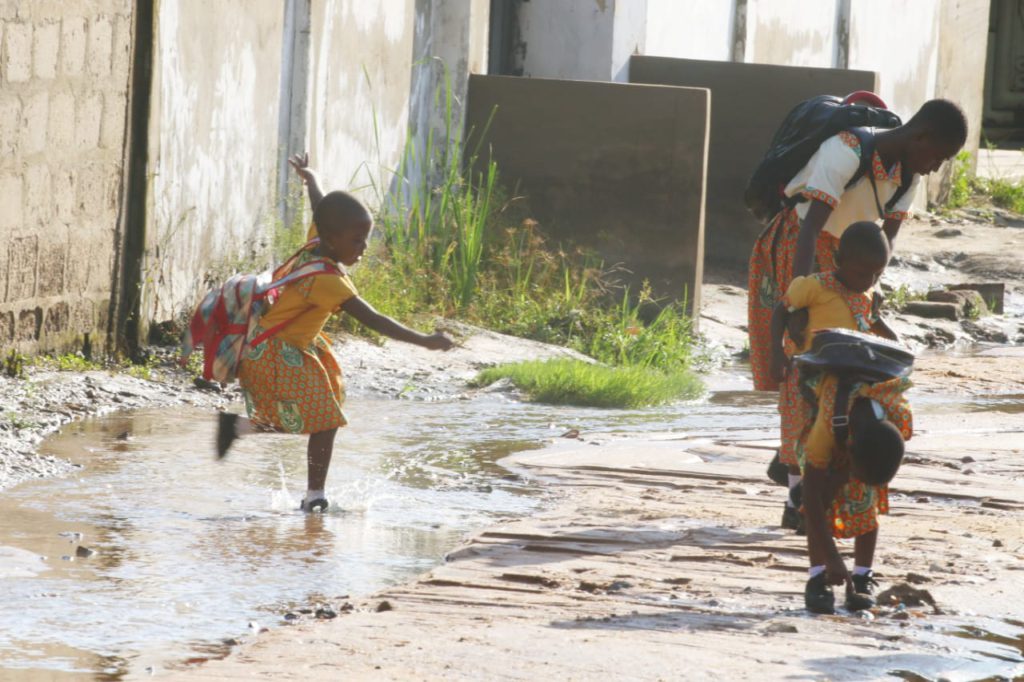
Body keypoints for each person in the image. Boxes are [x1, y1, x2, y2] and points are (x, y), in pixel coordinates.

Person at [751, 99, 966, 520]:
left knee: (844, 369)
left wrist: (869, 299)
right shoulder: (847, 150)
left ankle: (794, 457)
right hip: (800, 251)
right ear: (919, 137)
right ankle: (797, 495)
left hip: (855, 264)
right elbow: (810, 227)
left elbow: (887, 242)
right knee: (802, 369)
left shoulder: (907, 177)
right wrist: (799, 304)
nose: (933, 168)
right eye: (936, 157)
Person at [216, 176, 454, 512]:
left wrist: (311, 181)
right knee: (324, 422)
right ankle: (315, 498)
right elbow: (374, 320)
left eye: (365, 239)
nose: (363, 248)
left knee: (310, 418)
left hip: (271, 349)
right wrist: (424, 341)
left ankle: (237, 428)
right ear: (332, 238)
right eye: (357, 240)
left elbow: (320, 210)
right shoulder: (328, 279)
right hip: (277, 354)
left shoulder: (316, 247)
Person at [770, 221, 896, 531]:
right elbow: (780, 312)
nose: (867, 280)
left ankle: (819, 506)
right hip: (807, 379)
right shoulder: (814, 286)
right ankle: (796, 502)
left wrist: (897, 350)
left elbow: (876, 327)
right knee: (800, 439)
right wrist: (775, 353)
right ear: (839, 261)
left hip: (846, 384)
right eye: (860, 273)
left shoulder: (866, 296)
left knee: (838, 445)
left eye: (875, 275)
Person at [796, 370, 911, 614]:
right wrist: (832, 558)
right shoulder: (825, 431)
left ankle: (862, 576)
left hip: (858, 440)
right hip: (819, 421)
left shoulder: (896, 417)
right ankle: (817, 577)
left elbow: (881, 459)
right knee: (821, 501)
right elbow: (811, 497)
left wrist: (849, 476)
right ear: (848, 449)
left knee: (868, 500)